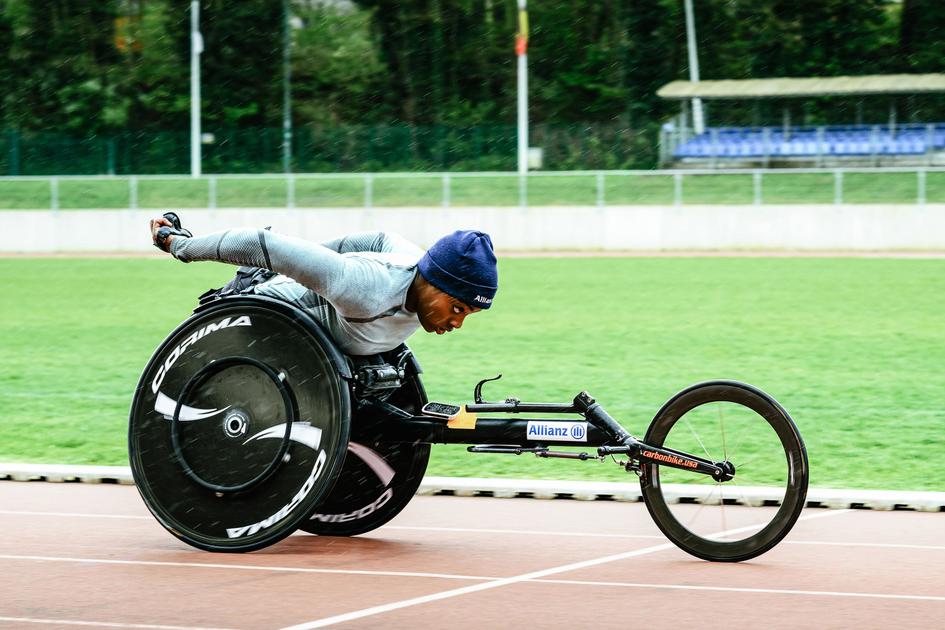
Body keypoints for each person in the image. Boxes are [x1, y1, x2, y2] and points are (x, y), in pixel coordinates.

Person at [149, 215, 498, 356]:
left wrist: (320, 259)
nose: (456, 323)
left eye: (468, 313)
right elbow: (259, 243)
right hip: (255, 323)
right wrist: (179, 246)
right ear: (432, 282)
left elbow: (381, 239)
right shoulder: (365, 285)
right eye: (457, 308)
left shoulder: (422, 269)